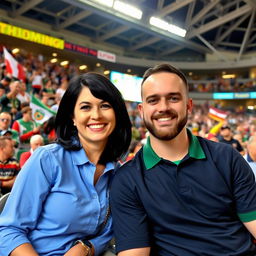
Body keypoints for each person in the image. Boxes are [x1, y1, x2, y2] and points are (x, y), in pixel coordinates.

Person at [110, 63, 256, 256]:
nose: (163, 107)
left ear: (188, 105)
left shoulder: (227, 157)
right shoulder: (127, 179)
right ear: (141, 110)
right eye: (153, 100)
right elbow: (134, 251)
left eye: (173, 98)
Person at [0, 72, 131, 256]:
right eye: (85, 107)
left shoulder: (119, 173)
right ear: (73, 117)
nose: (96, 115)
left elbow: (108, 232)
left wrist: (87, 247)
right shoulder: (47, 159)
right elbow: (8, 230)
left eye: (105, 106)